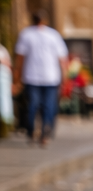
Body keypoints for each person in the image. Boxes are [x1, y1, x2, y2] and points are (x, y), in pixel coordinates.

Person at [13, 13, 68, 146]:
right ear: (45, 20)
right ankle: (45, 133)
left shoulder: (26, 34)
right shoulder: (54, 35)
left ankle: (31, 131)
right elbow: (62, 59)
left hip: (31, 76)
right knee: (48, 106)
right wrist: (64, 77)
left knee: (33, 104)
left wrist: (17, 77)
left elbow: (20, 58)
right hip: (51, 76)